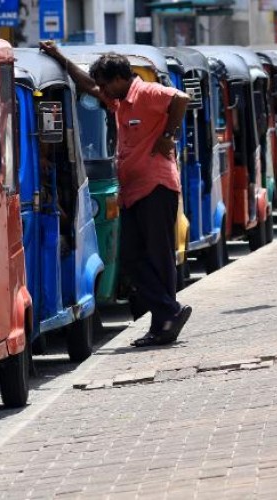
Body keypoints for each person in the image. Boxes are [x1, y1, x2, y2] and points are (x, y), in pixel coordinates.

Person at [39, 40, 192, 347]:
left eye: (106, 85)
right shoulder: (119, 101)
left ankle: (165, 321)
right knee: (132, 258)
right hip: (133, 191)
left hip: (156, 187)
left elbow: (181, 99)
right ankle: (168, 313)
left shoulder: (146, 93)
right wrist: (58, 56)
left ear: (121, 79)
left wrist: (168, 135)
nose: (103, 91)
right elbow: (88, 85)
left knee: (158, 258)